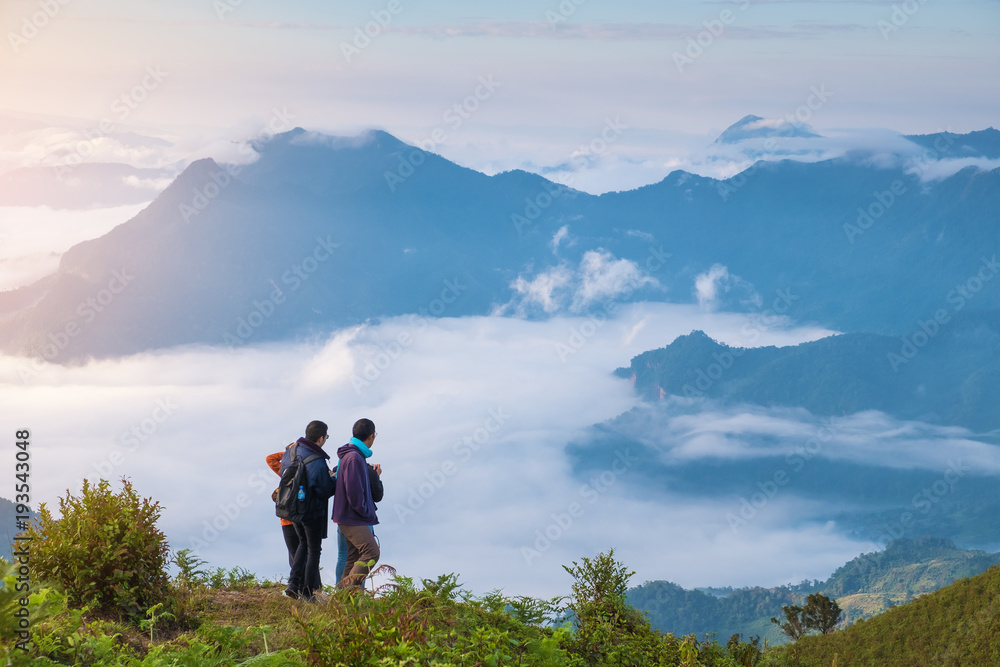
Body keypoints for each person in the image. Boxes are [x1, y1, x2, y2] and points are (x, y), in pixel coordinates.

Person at [281, 420, 336, 601]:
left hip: (291, 508)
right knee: (314, 549)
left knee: (303, 544)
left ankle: (293, 584)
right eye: (326, 437)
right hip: (311, 511)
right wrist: (334, 479)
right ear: (321, 438)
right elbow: (324, 490)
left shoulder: (291, 452)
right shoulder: (317, 459)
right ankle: (307, 592)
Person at [332, 418, 381, 588]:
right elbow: (354, 493)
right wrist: (365, 511)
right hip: (353, 516)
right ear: (371, 436)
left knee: (352, 559)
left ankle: (343, 601)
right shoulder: (354, 457)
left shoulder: (352, 454)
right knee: (372, 552)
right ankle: (348, 593)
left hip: (346, 515)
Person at [335, 460, 384, 583]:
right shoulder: (369, 471)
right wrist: (377, 477)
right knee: (365, 555)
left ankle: (339, 588)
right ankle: (355, 590)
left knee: (343, 557)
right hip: (362, 521)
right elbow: (378, 496)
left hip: (342, 518)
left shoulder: (340, 467)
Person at [266, 446, 298, 567]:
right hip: (287, 519)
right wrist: (288, 454)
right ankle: (298, 582)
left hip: (297, 518)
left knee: (300, 553)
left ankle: (303, 583)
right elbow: (270, 459)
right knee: (294, 554)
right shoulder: (286, 469)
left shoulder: (304, 467)